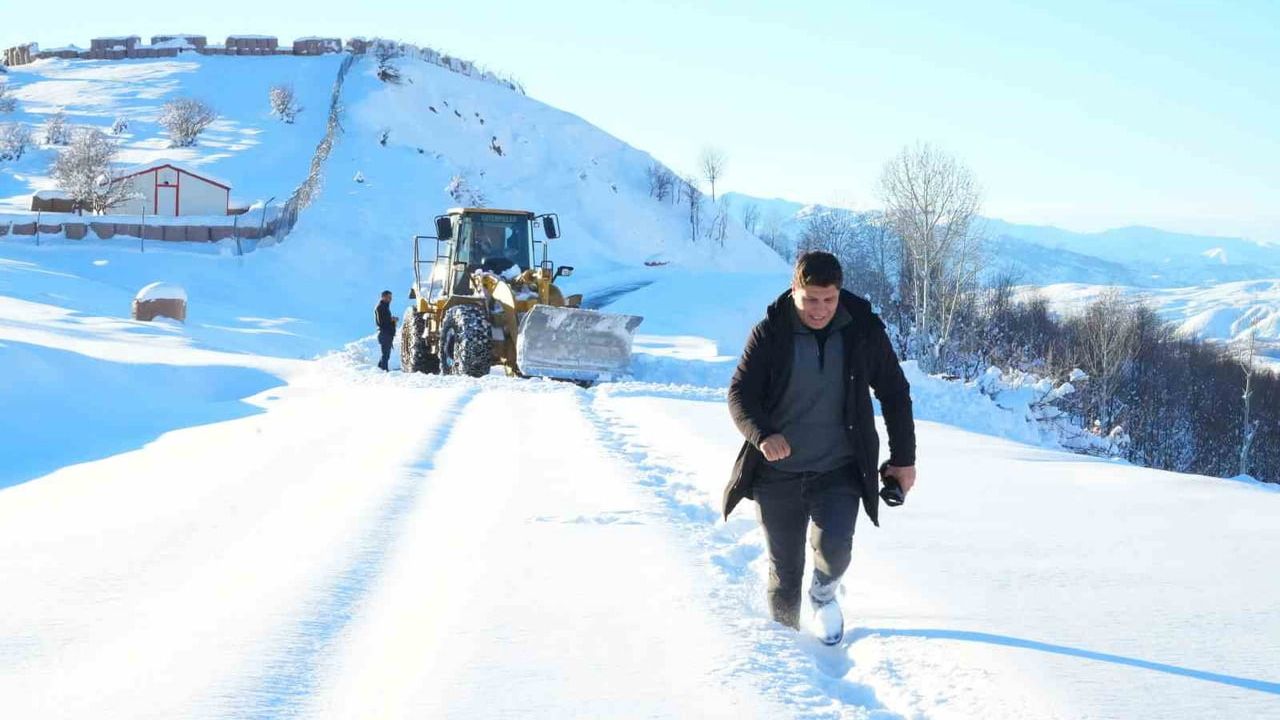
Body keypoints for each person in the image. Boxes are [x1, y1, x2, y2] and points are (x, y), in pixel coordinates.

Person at [724, 251, 916, 645]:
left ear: (839, 293)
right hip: (777, 474)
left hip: (839, 469)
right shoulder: (770, 333)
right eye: (810, 299)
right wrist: (762, 435)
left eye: (829, 299)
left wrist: (903, 460)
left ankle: (824, 595)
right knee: (785, 571)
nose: (820, 309)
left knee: (836, 551)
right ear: (794, 289)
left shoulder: (862, 330)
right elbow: (740, 393)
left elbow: (895, 392)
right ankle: (786, 649)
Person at [375, 290, 397, 371]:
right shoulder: (380, 307)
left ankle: (380, 370)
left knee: (386, 354)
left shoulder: (385, 307)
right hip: (384, 333)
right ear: (383, 297)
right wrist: (392, 320)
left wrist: (392, 320)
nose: (390, 299)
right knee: (386, 354)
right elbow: (381, 322)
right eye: (388, 297)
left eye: (391, 297)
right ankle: (384, 370)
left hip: (387, 334)